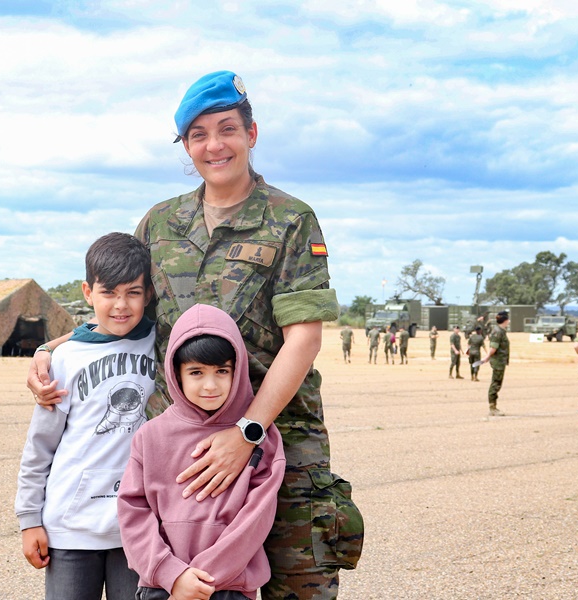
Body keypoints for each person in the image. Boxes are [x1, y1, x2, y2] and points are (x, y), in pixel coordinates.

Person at [28, 71, 362, 599]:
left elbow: (304, 338)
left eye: (226, 129)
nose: (214, 145)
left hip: (277, 442)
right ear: (186, 146)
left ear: (251, 134)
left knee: (296, 586)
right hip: (181, 454)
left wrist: (247, 434)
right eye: (198, 135)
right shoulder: (160, 225)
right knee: (184, 587)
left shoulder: (291, 220)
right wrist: (55, 346)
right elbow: (123, 309)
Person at [15, 232, 156, 600]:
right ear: (88, 292)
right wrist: (29, 520)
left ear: (149, 294)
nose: (121, 305)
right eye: (108, 292)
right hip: (70, 528)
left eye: (133, 293)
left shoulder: (163, 345)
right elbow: (40, 446)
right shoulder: (66, 358)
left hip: (139, 530)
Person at [118, 303, 285, 600]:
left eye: (222, 371)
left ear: (239, 370)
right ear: (176, 373)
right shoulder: (150, 436)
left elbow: (255, 520)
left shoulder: (261, 437)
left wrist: (200, 582)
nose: (210, 385)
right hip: (162, 587)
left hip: (229, 588)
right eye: (196, 372)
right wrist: (172, 574)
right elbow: (132, 510)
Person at [477, 311, 510, 416]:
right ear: (505, 320)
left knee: (497, 383)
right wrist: (487, 357)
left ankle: (493, 406)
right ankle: (493, 408)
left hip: (500, 361)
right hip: (498, 361)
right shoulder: (498, 332)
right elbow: (494, 347)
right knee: (495, 384)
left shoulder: (500, 330)